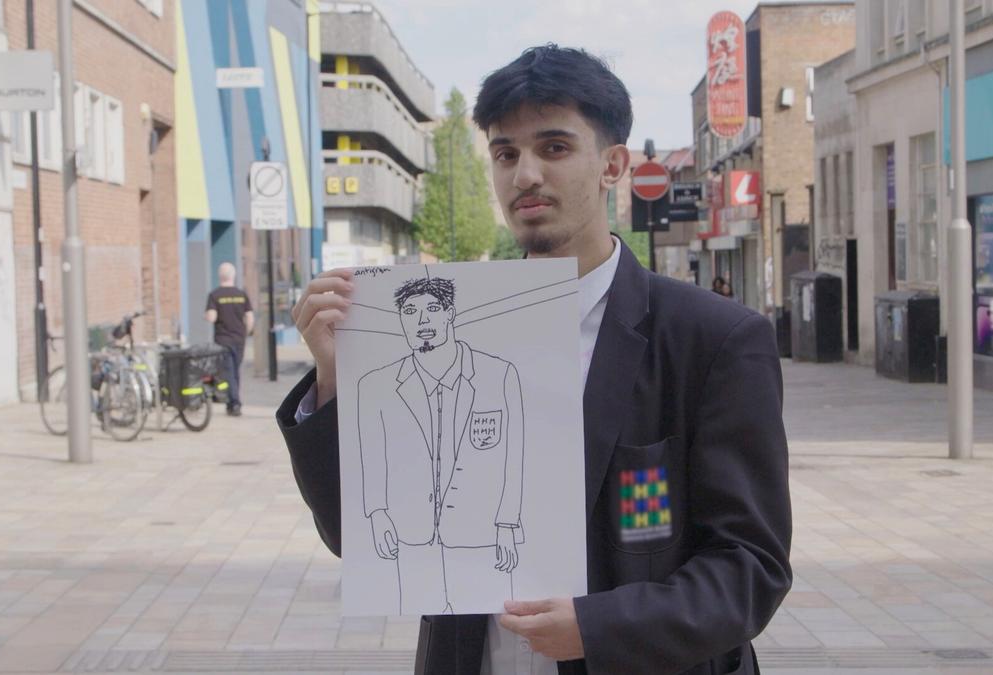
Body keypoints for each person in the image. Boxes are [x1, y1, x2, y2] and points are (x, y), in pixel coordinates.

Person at [279, 45, 791, 674]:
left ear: (613, 164)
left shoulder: (711, 339)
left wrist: (597, 626)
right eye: (505, 153)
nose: (524, 175)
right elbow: (355, 538)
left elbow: (750, 567)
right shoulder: (433, 330)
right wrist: (337, 378)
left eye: (553, 148)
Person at [359, 275, 524, 615]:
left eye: (433, 309)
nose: (423, 321)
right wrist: (377, 513)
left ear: (450, 314)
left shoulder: (498, 374)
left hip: (481, 535)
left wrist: (507, 523)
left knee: (496, 631)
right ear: (400, 320)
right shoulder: (375, 385)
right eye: (410, 311)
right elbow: (372, 454)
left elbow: (513, 456)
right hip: (411, 537)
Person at [205, 262, 253, 416]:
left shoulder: (214, 295)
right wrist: (246, 332)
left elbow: (212, 317)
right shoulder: (241, 294)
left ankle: (234, 403)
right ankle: (232, 403)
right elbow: (250, 317)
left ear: (220, 276)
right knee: (235, 371)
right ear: (234, 276)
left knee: (229, 372)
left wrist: (206, 315)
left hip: (223, 340)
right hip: (239, 339)